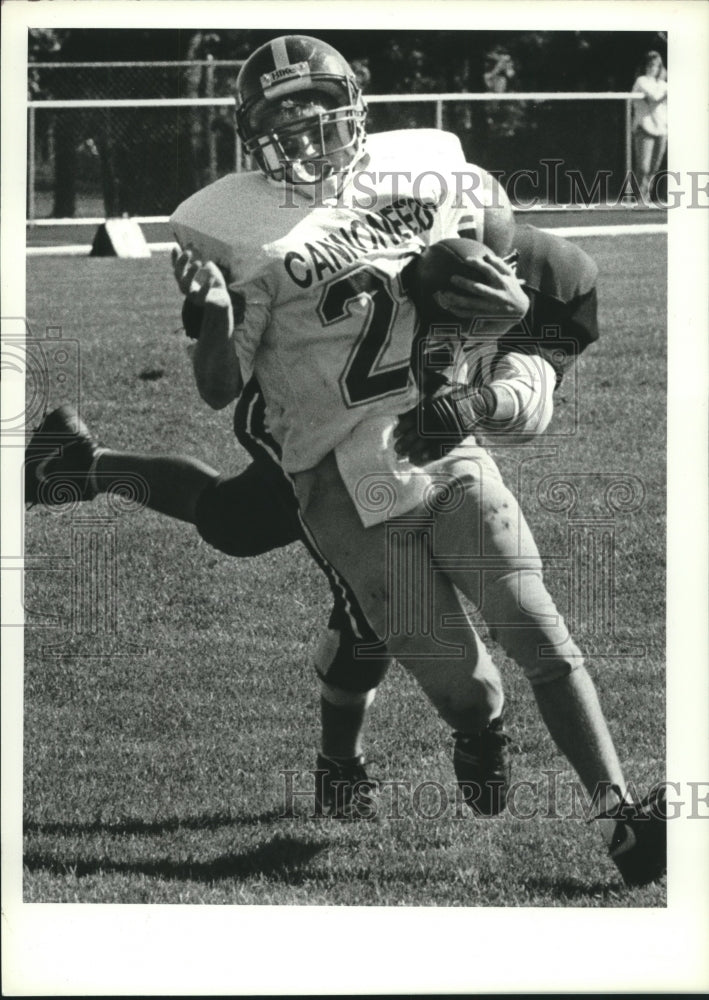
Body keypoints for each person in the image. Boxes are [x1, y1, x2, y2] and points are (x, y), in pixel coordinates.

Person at [26, 35, 665, 887]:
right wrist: (211, 314)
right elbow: (220, 388)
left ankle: (619, 820)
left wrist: (477, 374)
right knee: (445, 672)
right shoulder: (231, 219)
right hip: (326, 463)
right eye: (283, 116)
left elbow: (525, 363)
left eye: (320, 109)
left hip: (439, 449)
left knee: (537, 626)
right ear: (251, 129)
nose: (304, 131)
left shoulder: (473, 212)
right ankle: (465, 730)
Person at [631, 50, 667, 203]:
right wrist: (666, 94)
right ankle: (640, 198)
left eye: (657, 66)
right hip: (644, 127)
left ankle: (645, 198)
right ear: (645, 66)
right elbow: (654, 99)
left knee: (654, 167)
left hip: (661, 128)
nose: (653, 69)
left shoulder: (664, 84)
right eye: (650, 65)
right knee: (643, 167)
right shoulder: (641, 81)